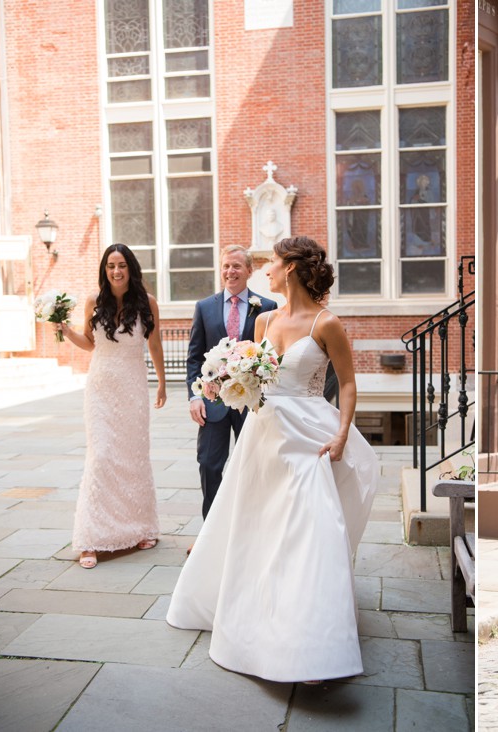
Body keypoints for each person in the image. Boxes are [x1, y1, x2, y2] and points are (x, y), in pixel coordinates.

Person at [167, 235, 378, 683]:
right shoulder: (262, 321)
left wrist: (341, 436)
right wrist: (224, 383)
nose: (266, 270)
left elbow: (349, 384)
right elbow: (256, 379)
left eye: (275, 263)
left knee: (312, 527)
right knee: (258, 525)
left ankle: (311, 641)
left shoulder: (327, 323)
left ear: (294, 269)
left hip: (310, 438)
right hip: (265, 436)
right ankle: (258, 618)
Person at [55, 244, 166, 569]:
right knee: (102, 455)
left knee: (133, 457)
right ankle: (91, 538)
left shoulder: (148, 303)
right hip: (101, 387)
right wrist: (66, 331)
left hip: (133, 387)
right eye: (110, 266)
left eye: (121, 265)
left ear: (130, 268)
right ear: (104, 270)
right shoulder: (94, 301)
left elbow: (155, 343)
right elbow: (90, 343)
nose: (116, 271)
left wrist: (161, 383)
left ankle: (142, 527)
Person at [186, 245, 277, 523]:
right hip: (213, 402)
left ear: (249, 270)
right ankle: (211, 531)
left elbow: (271, 357)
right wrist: (195, 397)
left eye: (237, 266)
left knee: (253, 467)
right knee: (209, 466)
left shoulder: (267, 307)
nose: (230, 271)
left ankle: (250, 527)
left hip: (250, 404)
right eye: (226, 266)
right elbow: (193, 357)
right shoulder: (204, 307)